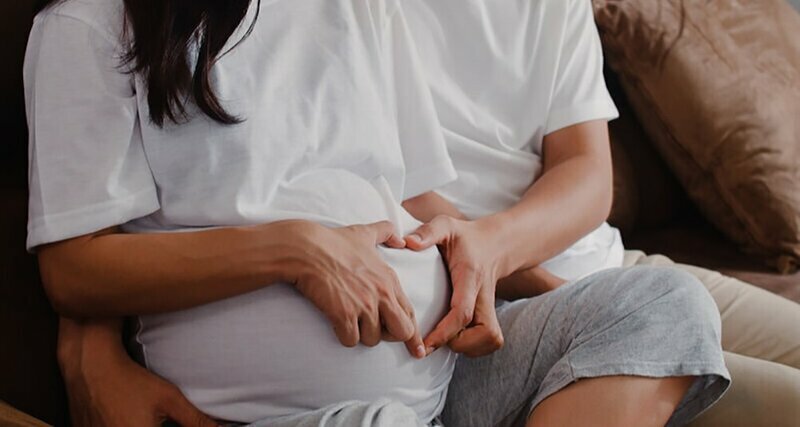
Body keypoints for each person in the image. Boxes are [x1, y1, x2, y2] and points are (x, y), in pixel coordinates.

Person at [26, 0, 729, 426]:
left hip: (446, 372)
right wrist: (295, 250)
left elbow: (414, 194)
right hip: (296, 411)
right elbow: (74, 269)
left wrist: (491, 278)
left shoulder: (356, 8)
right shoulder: (87, 24)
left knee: (664, 304)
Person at [402, 0, 800, 425]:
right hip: (484, 307)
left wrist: (502, 253)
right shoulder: (367, 17)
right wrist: (542, 287)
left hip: (612, 269)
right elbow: (395, 188)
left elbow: (587, 172)